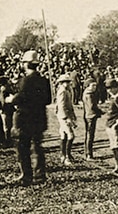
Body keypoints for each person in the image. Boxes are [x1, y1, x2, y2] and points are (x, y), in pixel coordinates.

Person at [7, 50, 52, 186]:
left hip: (25, 118)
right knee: (37, 147)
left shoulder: (25, 80)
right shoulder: (44, 80)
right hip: (39, 118)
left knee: (23, 147)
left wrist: (11, 99)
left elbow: (21, 97)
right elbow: (48, 100)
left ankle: (26, 175)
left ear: (26, 64)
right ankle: (40, 175)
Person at [55, 74, 77, 166]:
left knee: (64, 135)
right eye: (66, 82)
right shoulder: (62, 91)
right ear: (61, 83)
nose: (68, 84)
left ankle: (63, 155)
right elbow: (61, 106)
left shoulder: (66, 90)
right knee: (71, 135)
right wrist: (66, 117)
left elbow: (69, 105)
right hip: (63, 116)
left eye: (68, 82)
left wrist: (73, 115)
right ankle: (67, 156)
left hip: (65, 115)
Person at [82, 78, 103, 160]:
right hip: (91, 116)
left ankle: (87, 153)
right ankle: (89, 154)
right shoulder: (89, 94)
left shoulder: (87, 93)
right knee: (90, 135)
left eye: (95, 85)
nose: (94, 87)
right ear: (87, 86)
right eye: (92, 85)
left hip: (88, 115)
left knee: (88, 135)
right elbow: (92, 106)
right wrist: (100, 111)